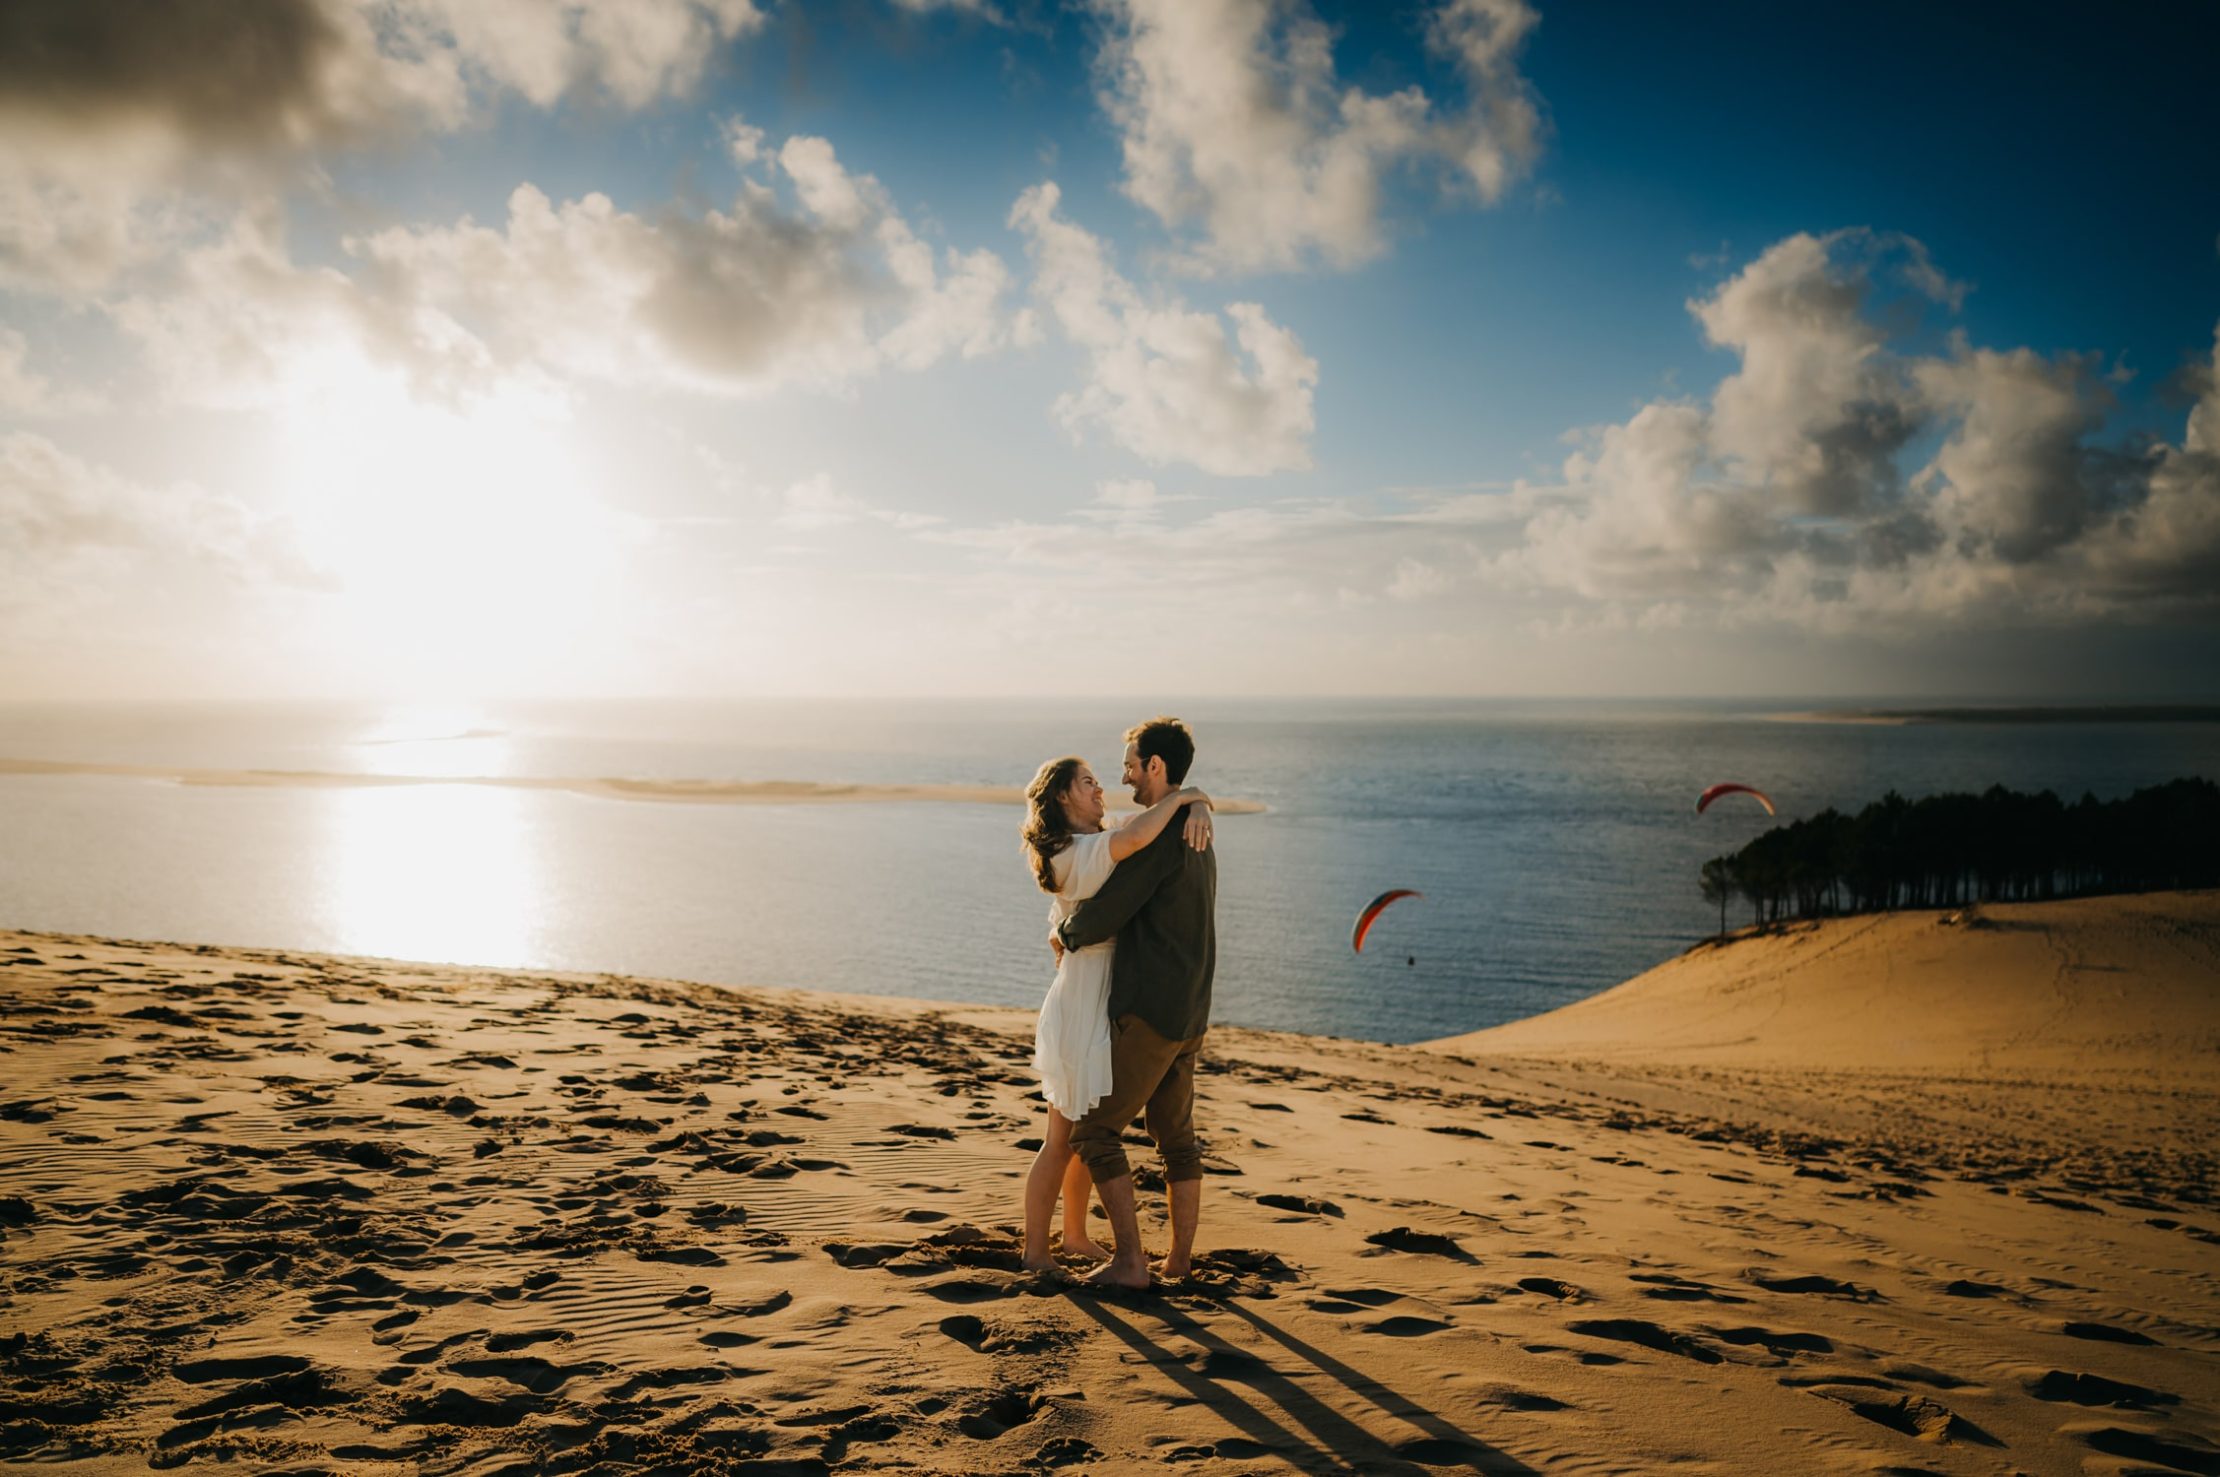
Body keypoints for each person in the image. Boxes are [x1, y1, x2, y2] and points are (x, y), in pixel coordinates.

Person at [1018, 753, 1214, 1273]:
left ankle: (1077, 1235)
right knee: (1062, 1139)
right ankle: (1037, 1252)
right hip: (1083, 1000)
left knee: (1085, 1132)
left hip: (1103, 995)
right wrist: (1191, 796)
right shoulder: (1079, 849)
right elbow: (1137, 839)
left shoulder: (1083, 846)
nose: (1102, 790)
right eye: (1088, 784)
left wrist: (1194, 805)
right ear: (1062, 796)